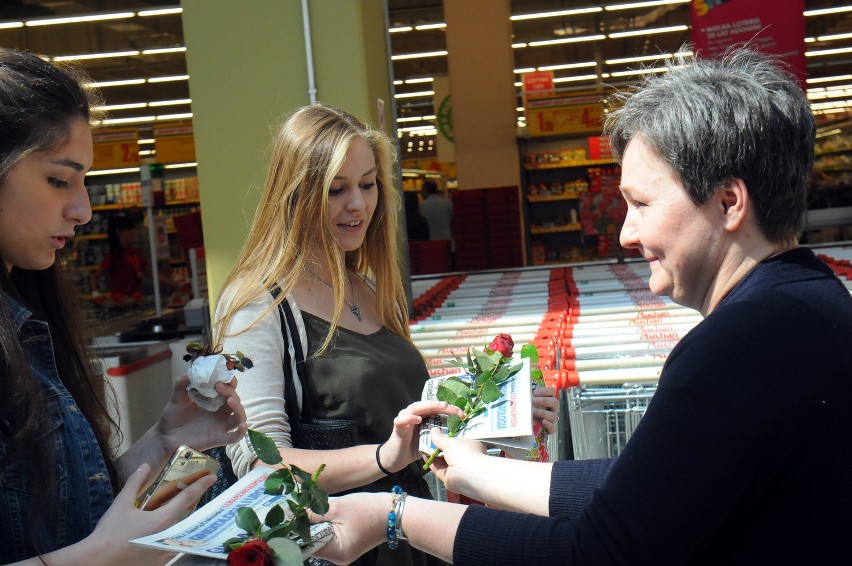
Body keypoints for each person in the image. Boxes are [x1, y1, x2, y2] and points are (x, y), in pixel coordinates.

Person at [307, 48, 852, 565]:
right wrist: (475, 473)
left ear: (729, 202)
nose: (626, 234)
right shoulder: (810, 306)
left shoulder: (739, 348)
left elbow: (599, 551)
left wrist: (394, 515)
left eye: (640, 203)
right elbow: (652, 484)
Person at [212, 103, 559, 566]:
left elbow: (403, 428)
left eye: (368, 184)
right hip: (328, 546)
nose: (358, 204)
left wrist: (497, 414)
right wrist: (382, 457)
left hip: (407, 529)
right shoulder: (258, 304)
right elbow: (260, 469)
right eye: (336, 189)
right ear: (294, 195)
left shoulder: (369, 286)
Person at [0, 47, 248, 564]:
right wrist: (106, 556)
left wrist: (161, 442)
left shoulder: (27, 320)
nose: (83, 209)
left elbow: (54, 506)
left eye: (84, 181)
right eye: (58, 179)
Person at [89, 212, 146, 305]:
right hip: (120, 304)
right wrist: (96, 294)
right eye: (129, 229)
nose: (133, 232)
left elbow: (152, 272)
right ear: (120, 232)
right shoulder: (114, 255)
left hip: (137, 302)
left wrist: (174, 284)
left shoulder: (135, 253)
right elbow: (94, 277)